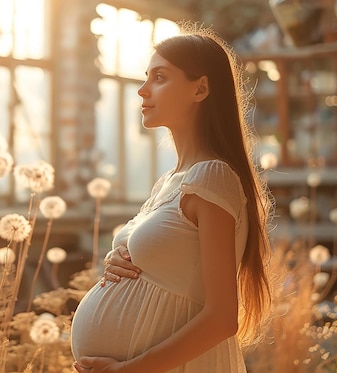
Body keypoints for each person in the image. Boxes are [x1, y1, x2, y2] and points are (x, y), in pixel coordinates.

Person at [70, 22, 274, 373]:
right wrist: (118, 261)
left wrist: (128, 369)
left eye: (160, 77)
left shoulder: (212, 176)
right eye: (146, 76)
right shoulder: (169, 181)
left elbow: (223, 318)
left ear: (201, 89)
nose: (142, 90)